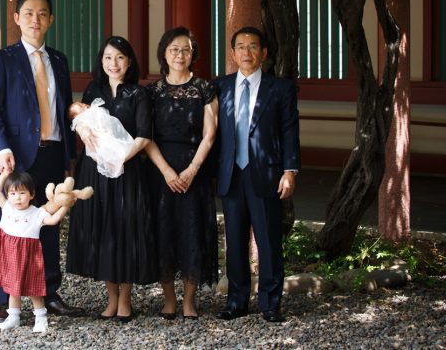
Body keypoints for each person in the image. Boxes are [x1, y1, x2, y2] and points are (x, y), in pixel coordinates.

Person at [0, 0, 83, 321]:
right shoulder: (3, 59)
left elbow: (61, 105)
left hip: (54, 152)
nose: (35, 20)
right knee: (10, 227)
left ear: (50, 19)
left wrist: (72, 147)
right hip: (18, 157)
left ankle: (49, 293)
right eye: (28, 13)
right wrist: (1, 147)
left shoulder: (59, 59)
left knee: (49, 226)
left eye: (42, 14)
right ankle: (4, 298)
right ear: (17, 19)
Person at [66, 36, 156, 322]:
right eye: (107, 57)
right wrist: (82, 131)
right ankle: (111, 298)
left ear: (129, 61)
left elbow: (144, 136)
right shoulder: (94, 89)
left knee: (126, 230)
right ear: (100, 61)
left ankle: (126, 299)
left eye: (119, 57)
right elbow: (79, 119)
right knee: (103, 228)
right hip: (95, 170)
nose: (113, 63)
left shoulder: (138, 94)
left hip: (127, 170)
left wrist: (120, 158)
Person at [214, 26, 300, 323]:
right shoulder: (221, 86)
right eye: (240, 46)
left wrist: (290, 171)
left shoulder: (281, 88)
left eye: (253, 47)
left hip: (266, 174)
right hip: (231, 174)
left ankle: (269, 303)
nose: (246, 52)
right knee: (235, 242)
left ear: (263, 53)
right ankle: (237, 301)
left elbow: (289, 130)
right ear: (233, 53)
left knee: (268, 241)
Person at [145, 26, 219, 320]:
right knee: (164, 231)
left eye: (186, 49)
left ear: (193, 54)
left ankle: (190, 300)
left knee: (192, 231)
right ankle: (169, 299)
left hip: (194, 169)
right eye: (174, 49)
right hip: (160, 170)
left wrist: (192, 170)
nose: (180, 54)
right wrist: (166, 171)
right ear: (164, 53)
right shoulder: (152, 92)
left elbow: (210, 134)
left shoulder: (205, 89)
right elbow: (145, 136)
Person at [0, 171, 70, 333]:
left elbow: (53, 220)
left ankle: (41, 319)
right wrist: (5, 174)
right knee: (12, 287)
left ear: (32, 194)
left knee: (33, 289)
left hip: (28, 256)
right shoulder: (7, 207)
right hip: (9, 255)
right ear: (8, 195)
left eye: (22, 193)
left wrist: (65, 206)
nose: (17, 198)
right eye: (13, 193)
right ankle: (13, 317)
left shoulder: (37, 213)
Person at [68, 98, 135, 178]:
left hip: (106, 132)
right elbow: (80, 125)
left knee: (113, 144)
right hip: (97, 137)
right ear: (76, 116)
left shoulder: (95, 110)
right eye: (80, 106)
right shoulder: (81, 120)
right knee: (101, 148)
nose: (83, 104)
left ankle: (116, 159)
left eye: (82, 103)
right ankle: (112, 163)